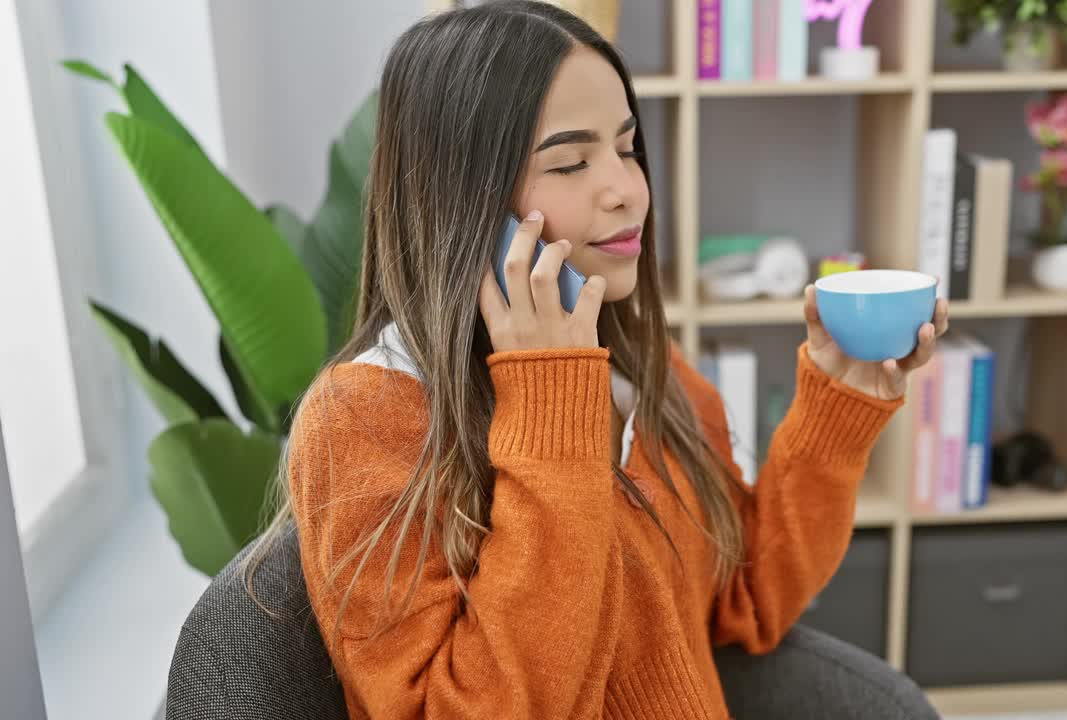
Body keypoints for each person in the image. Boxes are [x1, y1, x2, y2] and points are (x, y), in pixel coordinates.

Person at [247, 2, 948, 718]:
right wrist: (550, 412)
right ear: (459, 202)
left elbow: (748, 599)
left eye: (628, 147)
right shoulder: (366, 419)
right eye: (571, 161)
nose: (625, 189)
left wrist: (834, 405)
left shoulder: (640, 369)